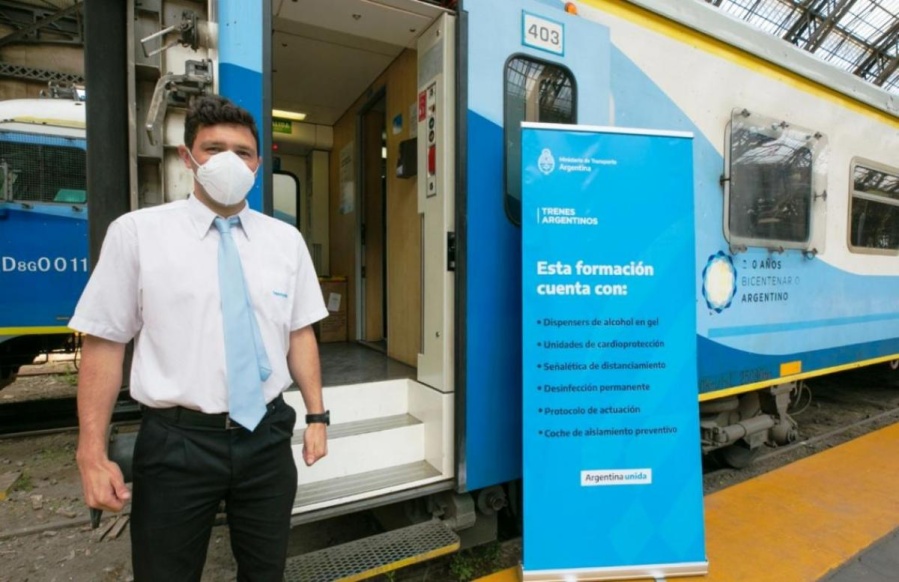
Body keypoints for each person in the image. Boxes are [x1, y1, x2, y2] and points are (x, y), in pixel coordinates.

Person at [71, 94, 329, 581]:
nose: (230, 160)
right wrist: (91, 451)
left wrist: (317, 416)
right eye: (214, 148)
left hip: (267, 439)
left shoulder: (285, 242)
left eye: (243, 151)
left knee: (265, 572)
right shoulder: (138, 234)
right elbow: (104, 342)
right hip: (176, 443)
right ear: (186, 158)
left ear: (258, 163)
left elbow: (299, 331)